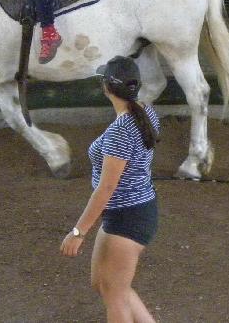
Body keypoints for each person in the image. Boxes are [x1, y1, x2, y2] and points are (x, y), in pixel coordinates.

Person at [60, 55, 160, 323]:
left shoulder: (120, 131)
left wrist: (78, 232)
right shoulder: (145, 111)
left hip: (129, 217)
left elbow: (106, 188)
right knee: (103, 284)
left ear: (106, 88)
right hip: (130, 212)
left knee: (114, 294)